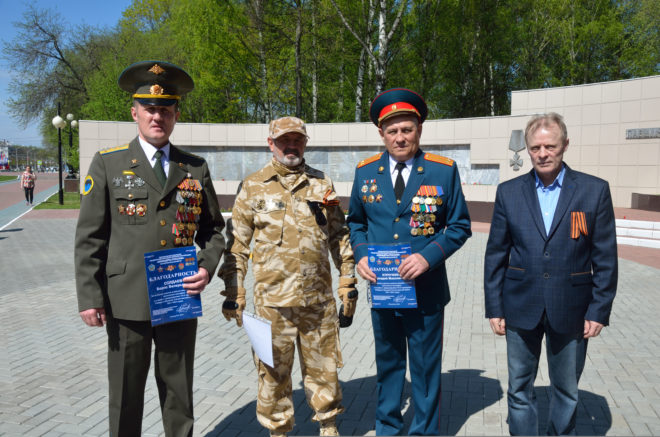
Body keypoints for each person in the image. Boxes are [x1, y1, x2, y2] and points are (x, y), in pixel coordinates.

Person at [74, 60, 226, 436]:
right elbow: (90, 236)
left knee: (178, 393)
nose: (157, 117)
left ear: (176, 115)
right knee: (125, 395)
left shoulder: (194, 168)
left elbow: (213, 230)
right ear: (135, 113)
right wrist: (90, 297)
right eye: (149, 109)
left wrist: (206, 267)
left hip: (178, 296)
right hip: (126, 300)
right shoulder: (109, 164)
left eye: (165, 110)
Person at [218, 116, 357, 437]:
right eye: (284, 140)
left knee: (324, 370)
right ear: (271, 144)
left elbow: (339, 235)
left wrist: (347, 281)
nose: (291, 146)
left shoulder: (322, 184)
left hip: (318, 302)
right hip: (272, 305)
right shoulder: (253, 186)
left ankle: (328, 425)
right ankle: (278, 431)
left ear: (305, 143)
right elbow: (237, 245)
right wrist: (234, 291)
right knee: (272, 374)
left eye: (297, 140)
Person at [347, 88, 472, 435]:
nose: (400, 137)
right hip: (383, 288)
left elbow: (459, 225)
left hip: (425, 290)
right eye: (392, 131)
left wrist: (427, 257)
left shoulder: (442, 171)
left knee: (425, 368)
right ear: (381, 133)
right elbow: (356, 223)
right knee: (388, 364)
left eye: (407, 129)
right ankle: (388, 426)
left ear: (419, 130)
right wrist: (361, 255)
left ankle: (424, 431)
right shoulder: (365, 172)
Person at [484, 112, 618, 435]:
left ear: (565, 145)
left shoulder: (594, 191)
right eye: (535, 148)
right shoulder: (509, 192)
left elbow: (605, 258)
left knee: (567, 391)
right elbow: (496, 254)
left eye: (550, 146)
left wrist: (599, 310)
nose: (542, 154)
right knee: (519, 389)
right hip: (520, 306)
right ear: (528, 149)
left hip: (572, 308)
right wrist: (494, 307)